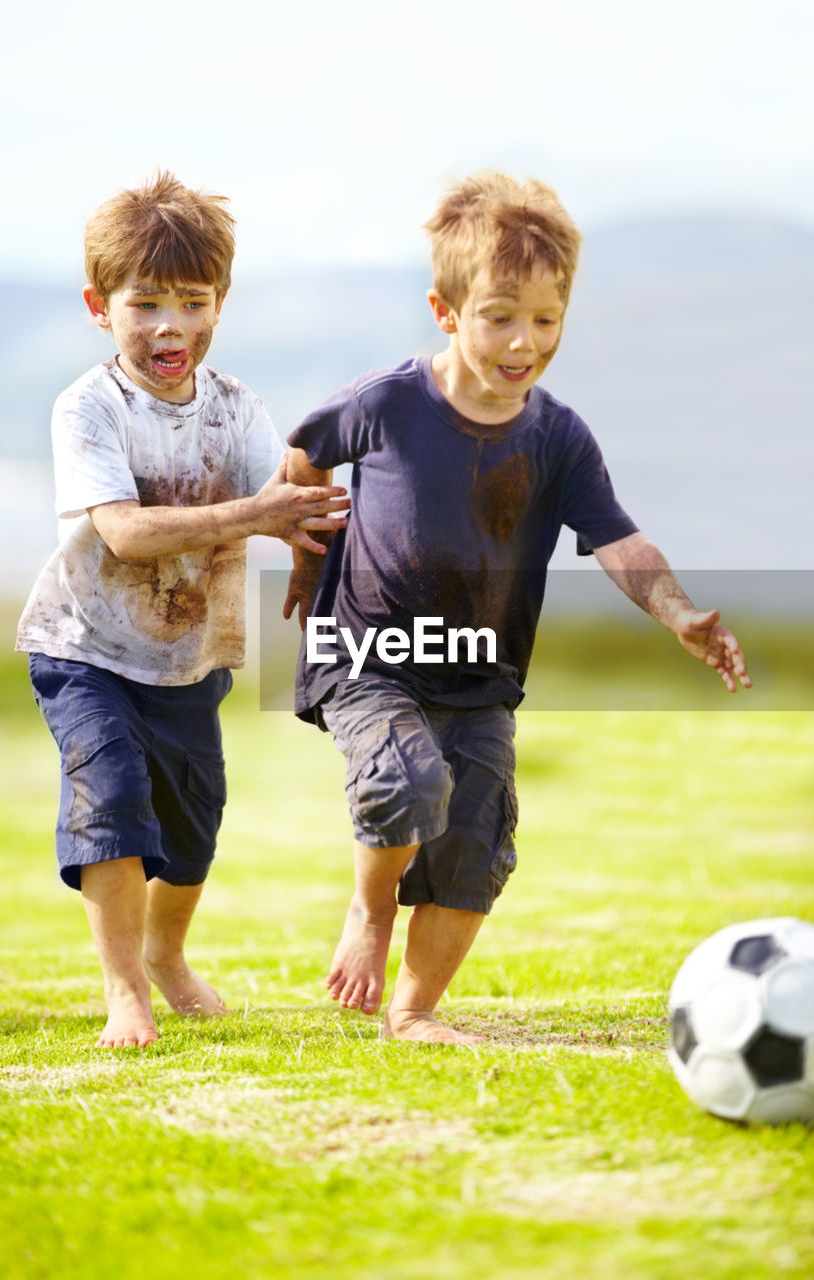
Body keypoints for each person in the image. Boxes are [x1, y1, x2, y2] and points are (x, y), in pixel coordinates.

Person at [282, 171, 751, 1045]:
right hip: (367, 661)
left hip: (480, 678)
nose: (522, 341)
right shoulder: (384, 403)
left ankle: (414, 1013)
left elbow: (619, 541)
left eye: (545, 318)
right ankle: (370, 907)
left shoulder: (557, 438)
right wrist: (307, 556)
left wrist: (678, 612)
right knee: (405, 779)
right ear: (447, 310)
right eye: (499, 315)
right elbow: (303, 458)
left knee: (475, 842)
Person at [16, 171, 348, 1048]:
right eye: (146, 303)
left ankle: (167, 957)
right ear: (100, 306)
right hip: (82, 648)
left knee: (193, 833)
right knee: (113, 800)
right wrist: (260, 517)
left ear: (220, 303)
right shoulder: (87, 408)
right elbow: (124, 533)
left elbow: (291, 502)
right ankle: (125, 990)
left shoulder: (237, 410)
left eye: (193, 302)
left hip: (189, 658)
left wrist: (331, 522)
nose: (171, 326)